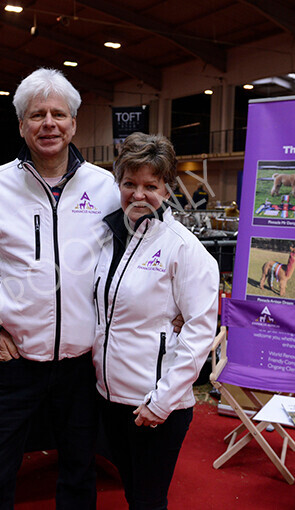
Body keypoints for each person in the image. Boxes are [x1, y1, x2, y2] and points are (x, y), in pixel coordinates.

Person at [0, 68, 121, 509]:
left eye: (58, 114)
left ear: (74, 123)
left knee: (80, 474)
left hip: (82, 365)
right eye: (37, 115)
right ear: (21, 125)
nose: (49, 124)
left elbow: (136, 254)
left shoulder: (105, 187)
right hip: (14, 360)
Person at [93, 132, 219, 510]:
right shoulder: (110, 238)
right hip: (110, 397)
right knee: (133, 493)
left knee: (147, 501)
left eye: (151, 185)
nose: (138, 194)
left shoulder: (183, 248)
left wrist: (161, 402)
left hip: (153, 406)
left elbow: (199, 332)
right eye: (130, 183)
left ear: (167, 188)